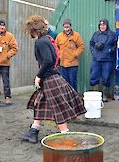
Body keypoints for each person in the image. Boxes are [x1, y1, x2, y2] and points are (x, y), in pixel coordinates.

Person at [20, 15, 86, 143]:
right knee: (39, 104)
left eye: (29, 29)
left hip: (50, 79)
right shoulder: (47, 39)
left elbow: (48, 60)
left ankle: (66, 135)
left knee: (58, 108)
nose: (28, 32)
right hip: (51, 78)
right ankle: (34, 131)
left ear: (33, 29)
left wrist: (38, 76)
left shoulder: (41, 41)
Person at [89, 19, 116, 102]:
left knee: (106, 77)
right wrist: (93, 52)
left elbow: (115, 45)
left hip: (107, 60)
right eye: (101, 25)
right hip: (96, 59)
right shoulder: (96, 34)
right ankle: (96, 94)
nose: (102, 27)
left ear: (107, 26)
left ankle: (104, 94)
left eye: (104, 25)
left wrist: (110, 51)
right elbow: (91, 44)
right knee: (94, 76)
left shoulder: (112, 34)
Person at [55, 18, 85, 91]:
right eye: (65, 26)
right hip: (63, 64)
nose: (66, 28)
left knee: (73, 82)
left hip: (73, 64)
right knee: (64, 83)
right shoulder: (59, 36)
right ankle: (66, 98)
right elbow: (55, 47)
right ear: (63, 27)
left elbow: (81, 47)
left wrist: (74, 54)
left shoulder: (76, 35)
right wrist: (59, 55)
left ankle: (75, 98)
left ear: (70, 26)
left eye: (68, 26)